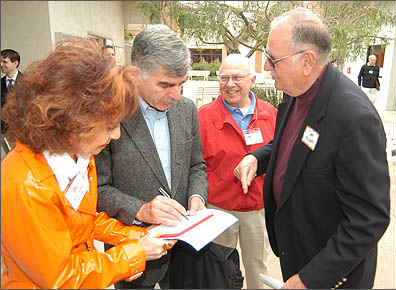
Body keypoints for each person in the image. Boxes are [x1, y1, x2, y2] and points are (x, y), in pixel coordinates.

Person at [234, 8, 390, 289]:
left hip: (330, 274)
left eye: (272, 58)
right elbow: (292, 144)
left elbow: (369, 219)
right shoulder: (297, 92)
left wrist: (310, 279)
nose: (267, 66)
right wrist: (258, 158)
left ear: (307, 61)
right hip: (297, 256)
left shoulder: (354, 118)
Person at [1, 39, 170, 289]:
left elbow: (84, 222)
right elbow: (62, 277)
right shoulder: (26, 185)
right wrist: (135, 253)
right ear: (74, 120)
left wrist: (139, 236)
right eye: (109, 126)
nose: (116, 136)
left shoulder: (78, 154)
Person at [95, 24, 209, 289]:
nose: (176, 95)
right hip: (132, 252)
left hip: (184, 250)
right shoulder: (109, 115)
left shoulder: (186, 110)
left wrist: (197, 198)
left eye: (182, 84)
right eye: (166, 85)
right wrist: (141, 210)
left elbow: (196, 166)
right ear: (135, 74)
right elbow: (97, 190)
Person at [198, 53, 277, 289]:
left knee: (258, 270)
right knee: (218, 270)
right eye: (224, 78)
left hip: (258, 209)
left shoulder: (271, 115)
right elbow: (195, 165)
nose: (230, 84)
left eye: (237, 77)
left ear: (252, 80)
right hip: (218, 209)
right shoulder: (203, 117)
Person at [1, 49, 24, 135]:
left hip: (23, 132)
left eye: (5, 62)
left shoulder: (28, 82)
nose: (1, 65)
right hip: (4, 133)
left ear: (15, 63)